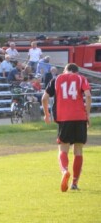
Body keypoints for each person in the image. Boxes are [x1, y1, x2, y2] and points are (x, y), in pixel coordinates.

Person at [42, 63, 91, 192]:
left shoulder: (57, 79)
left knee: (63, 148)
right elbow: (88, 96)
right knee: (78, 150)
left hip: (64, 119)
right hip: (80, 117)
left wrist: (46, 114)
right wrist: (88, 115)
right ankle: (74, 183)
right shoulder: (81, 79)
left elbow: (44, 98)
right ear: (77, 71)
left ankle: (64, 171)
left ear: (65, 70)